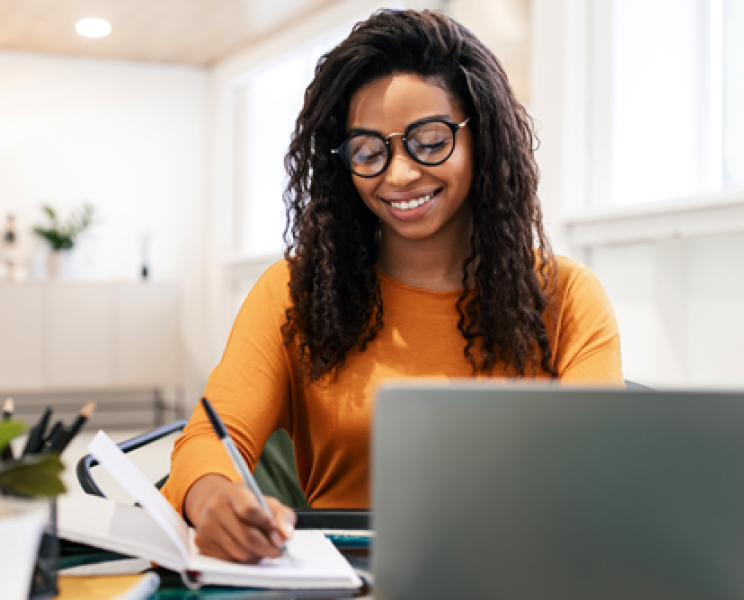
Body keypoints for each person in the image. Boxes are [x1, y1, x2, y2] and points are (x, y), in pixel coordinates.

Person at [162, 8, 623, 563]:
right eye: (368, 151)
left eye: (430, 141)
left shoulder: (567, 296)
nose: (399, 174)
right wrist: (215, 500)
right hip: (345, 579)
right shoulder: (295, 290)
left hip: (516, 570)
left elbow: (599, 477)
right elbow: (208, 441)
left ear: (485, 137)